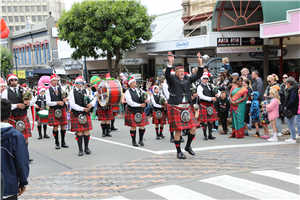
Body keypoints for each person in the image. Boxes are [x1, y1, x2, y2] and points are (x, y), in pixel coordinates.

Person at [166, 51, 203, 159]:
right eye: (180, 71)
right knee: (178, 130)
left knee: (193, 128)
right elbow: (167, 74)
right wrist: (170, 62)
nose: (182, 73)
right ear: (176, 72)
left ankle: (187, 146)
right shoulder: (172, 79)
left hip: (187, 107)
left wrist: (200, 63)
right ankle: (178, 152)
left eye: (183, 71)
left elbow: (199, 74)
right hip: (176, 107)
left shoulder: (187, 79)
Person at [1, 74, 35, 162]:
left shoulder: (23, 90)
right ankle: (15, 156)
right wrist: (16, 105)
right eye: (11, 80)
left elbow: (33, 100)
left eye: (15, 80)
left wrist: (29, 102)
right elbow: (5, 105)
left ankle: (25, 156)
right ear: (9, 82)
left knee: (25, 138)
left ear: (17, 81)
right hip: (12, 117)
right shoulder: (5, 92)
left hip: (23, 116)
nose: (14, 82)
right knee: (13, 138)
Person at [0, 98, 29, 200]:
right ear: (9, 114)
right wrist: (23, 182)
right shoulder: (16, 136)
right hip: (9, 186)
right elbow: (22, 162)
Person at [69, 76, 95, 156]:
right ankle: (80, 149)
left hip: (85, 113)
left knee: (87, 131)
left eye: (82, 83)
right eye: (79, 83)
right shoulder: (72, 92)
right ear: (75, 84)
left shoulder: (86, 91)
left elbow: (93, 99)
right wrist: (82, 109)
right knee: (79, 132)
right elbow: (72, 104)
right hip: (77, 113)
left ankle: (86, 148)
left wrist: (91, 104)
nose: (81, 85)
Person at [124, 76, 150, 147]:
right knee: (133, 126)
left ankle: (141, 139)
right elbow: (129, 102)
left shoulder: (139, 90)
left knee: (142, 126)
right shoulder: (127, 92)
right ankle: (134, 141)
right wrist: (139, 105)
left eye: (134, 82)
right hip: (132, 110)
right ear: (129, 84)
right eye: (132, 83)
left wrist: (147, 99)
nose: (134, 84)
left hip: (140, 110)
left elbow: (146, 95)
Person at [46, 74, 69, 149]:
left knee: (63, 126)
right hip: (54, 109)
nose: (55, 82)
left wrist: (66, 99)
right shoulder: (48, 90)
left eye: (56, 80)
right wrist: (57, 102)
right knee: (55, 126)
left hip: (62, 109)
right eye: (53, 81)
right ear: (51, 82)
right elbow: (48, 102)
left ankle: (63, 142)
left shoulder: (61, 88)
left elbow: (67, 96)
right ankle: (57, 143)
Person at [197, 74, 220, 140]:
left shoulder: (210, 85)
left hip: (210, 104)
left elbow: (218, 91)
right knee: (205, 121)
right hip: (204, 104)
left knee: (211, 120)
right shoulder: (199, 87)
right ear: (202, 79)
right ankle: (205, 135)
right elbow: (201, 96)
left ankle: (210, 134)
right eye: (204, 79)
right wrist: (211, 98)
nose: (206, 80)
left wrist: (217, 94)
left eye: (207, 79)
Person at [284, 77, 299, 143]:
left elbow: (292, 100)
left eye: (286, 83)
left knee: (290, 123)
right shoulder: (295, 89)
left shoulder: (292, 90)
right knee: (290, 123)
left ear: (289, 83)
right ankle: (293, 137)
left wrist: (286, 107)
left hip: (291, 109)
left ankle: (293, 138)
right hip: (293, 108)